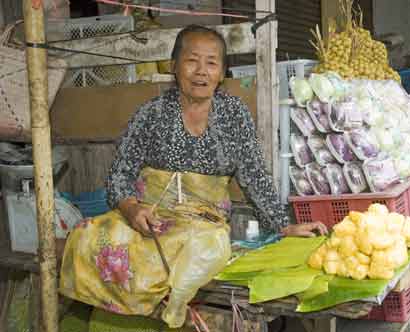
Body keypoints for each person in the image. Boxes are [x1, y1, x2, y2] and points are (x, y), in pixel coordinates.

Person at [59, 25, 327, 328]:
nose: (201, 71)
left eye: (211, 63)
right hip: (151, 219)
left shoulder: (233, 114)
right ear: (174, 66)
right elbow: (120, 174)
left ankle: (175, 307)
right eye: (191, 60)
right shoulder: (152, 113)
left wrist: (283, 225)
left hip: (203, 223)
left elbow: (254, 174)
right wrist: (132, 210)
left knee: (210, 246)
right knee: (88, 234)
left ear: (223, 72)